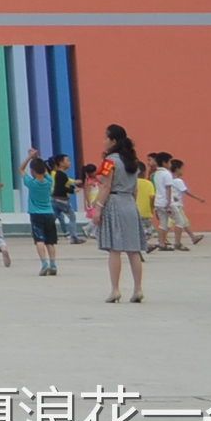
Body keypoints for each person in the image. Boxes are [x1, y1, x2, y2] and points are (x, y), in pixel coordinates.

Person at [94, 125, 145, 302]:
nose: (103, 141)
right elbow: (135, 189)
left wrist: (98, 207)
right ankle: (138, 288)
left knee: (115, 249)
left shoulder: (110, 161)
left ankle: (115, 289)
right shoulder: (134, 162)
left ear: (113, 141)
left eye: (106, 138)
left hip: (114, 202)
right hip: (130, 203)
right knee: (133, 249)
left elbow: (106, 186)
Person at [22, 155, 58, 275]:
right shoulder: (49, 181)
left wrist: (29, 157)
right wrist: (38, 158)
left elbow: (21, 169)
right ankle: (53, 264)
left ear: (32, 171)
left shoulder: (31, 183)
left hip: (36, 214)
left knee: (39, 240)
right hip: (49, 213)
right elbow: (46, 171)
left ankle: (44, 263)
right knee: (50, 242)